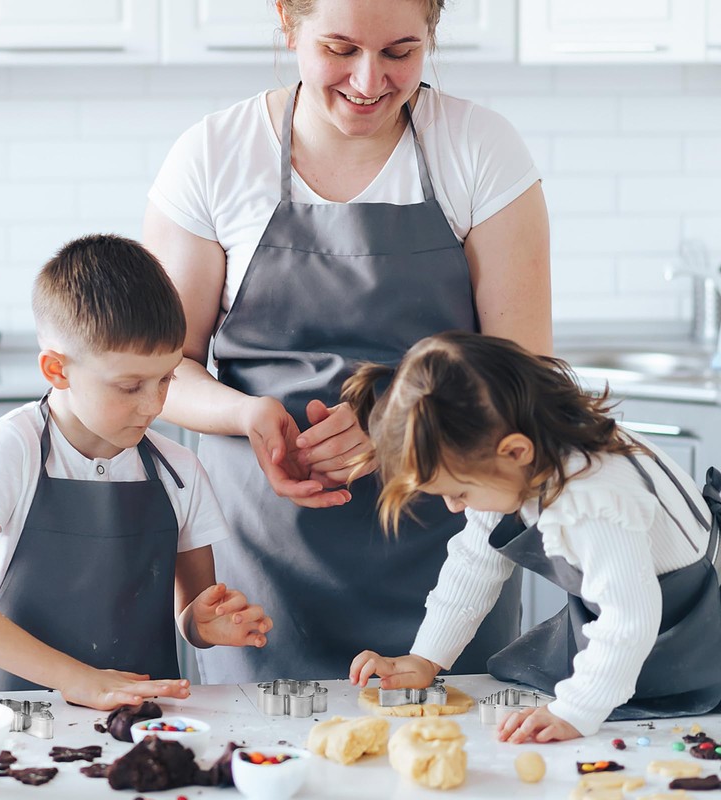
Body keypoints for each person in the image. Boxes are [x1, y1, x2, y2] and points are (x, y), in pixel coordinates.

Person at [143, 0, 551, 684]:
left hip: (448, 556)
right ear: (287, 24)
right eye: (339, 49)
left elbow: (526, 376)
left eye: (400, 53)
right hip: (262, 555)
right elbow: (159, 371)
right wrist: (248, 414)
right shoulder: (214, 155)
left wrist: (395, 425)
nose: (369, 82)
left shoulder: (479, 148)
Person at [0, 234, 272, 710]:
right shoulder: (15, 450)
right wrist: (79, 679)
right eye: (129, 386)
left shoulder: (179, 470)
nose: (154, 405)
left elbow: (193, 607)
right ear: (56, 370)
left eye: (166, 378)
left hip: (144, 723)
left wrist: (204, 624)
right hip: (19, 723)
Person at [346, 330, 721, 741]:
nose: (455, 506)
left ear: (515, 451)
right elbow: (475, 562)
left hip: (688, 627)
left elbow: (629, 619)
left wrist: (575, 712)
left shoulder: (592, 496)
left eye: (460, 492)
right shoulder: (516, 465)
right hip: (630, 609)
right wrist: (426, 657)